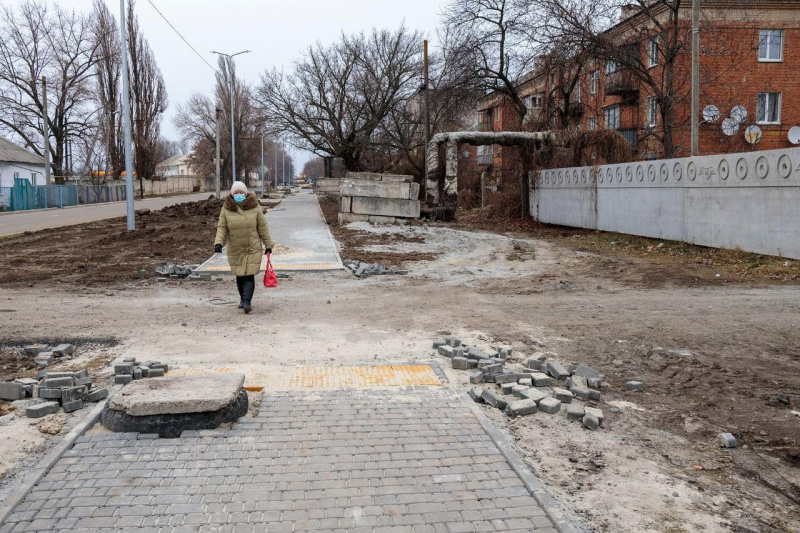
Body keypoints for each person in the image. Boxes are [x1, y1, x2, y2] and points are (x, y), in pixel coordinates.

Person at [214, 181, 274, 313]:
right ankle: (242, 298)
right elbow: (222, 228)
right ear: (232, 194)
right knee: (240, 275)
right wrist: (218, 243)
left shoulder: (255, 207)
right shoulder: (226, 208)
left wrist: (268, 244)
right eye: (236, 192)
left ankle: (247, 301)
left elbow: (262, 227)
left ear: (245, 193)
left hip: (252, 247)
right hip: (236, 248)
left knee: (249, 275)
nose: (239, 194)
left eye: (241, 192)